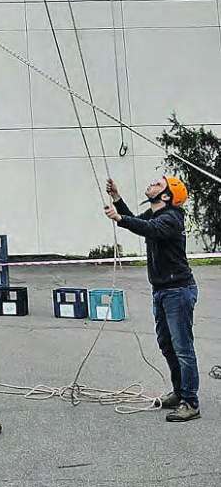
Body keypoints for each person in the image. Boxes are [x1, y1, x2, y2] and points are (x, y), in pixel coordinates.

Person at [104, 175, 200, 422]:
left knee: (183, 349)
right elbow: (137, 222)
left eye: (158, 184)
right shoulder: (156, 214)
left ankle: (191, 402)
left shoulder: (171, 218)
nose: (151, 184)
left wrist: (119, 218)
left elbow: (149, 229)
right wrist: (117, 198)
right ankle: (179, 392)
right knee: (167, 345)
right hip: (162, 290)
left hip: (178, 291)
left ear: (166, 196)